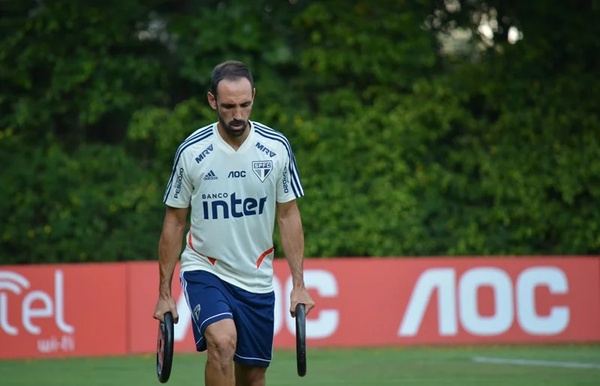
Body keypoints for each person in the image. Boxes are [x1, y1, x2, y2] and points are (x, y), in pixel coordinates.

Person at [153, 60, 315, 386]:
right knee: (222, 342)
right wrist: (164, 292)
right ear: (212, 101)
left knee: (253, 377)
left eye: (245, 104)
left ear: (253, 96)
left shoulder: (276, 148)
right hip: (206, 267)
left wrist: (298, 284)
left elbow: (288, 214)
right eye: (228, 106)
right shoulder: (192, 151)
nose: (238, 115)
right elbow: (174, 221)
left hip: (256, 277)